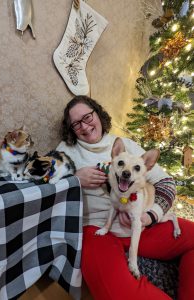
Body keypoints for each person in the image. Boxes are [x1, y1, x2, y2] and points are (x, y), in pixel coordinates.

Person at [56, 95, 194, 300]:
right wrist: (74, 179)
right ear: (70, 129)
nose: (84, 126)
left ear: (98, 114)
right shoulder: (65, 151)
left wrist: (151, 215)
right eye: (76, 124)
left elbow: (166, 182)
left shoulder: (125, 144)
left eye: (87, 117)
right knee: (120, 294)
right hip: (96, 229)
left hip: (140, 223)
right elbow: (44, 186)